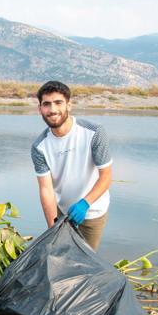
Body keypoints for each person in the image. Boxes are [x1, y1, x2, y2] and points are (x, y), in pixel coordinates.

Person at [31, 81, 113, 250]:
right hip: (62, 212)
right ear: (40, 109)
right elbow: (46, 189)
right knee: (60, 256)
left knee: (85, 261)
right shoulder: (39, 147)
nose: (52, 110)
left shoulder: (94, 132)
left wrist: (85, 204)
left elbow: (106, 176)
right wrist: (53, 227)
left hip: (92, 210)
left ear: (69, 105)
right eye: (46, 104)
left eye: (58, 103)